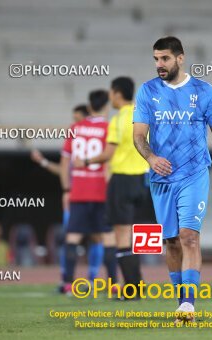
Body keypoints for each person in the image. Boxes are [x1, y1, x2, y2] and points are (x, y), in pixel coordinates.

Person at [132, 36, 212, 321]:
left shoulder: (204, 91)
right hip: (161, 179)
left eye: (165, 58)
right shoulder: (147, 91)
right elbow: (138, 135)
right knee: (171, 241)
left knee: (189, 237)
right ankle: (181, 300)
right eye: (156, 59)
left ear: (180, 58)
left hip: (194, 174)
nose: (159, 64)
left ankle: (189, 305)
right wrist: (151, 158)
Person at [73, 77, 154, 299]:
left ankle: (132, 290)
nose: (110, 96)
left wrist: (86, 161)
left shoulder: (118, 119)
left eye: (111, 92)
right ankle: (138, 284)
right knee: (141, 236)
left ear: (117, 93)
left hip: (123, 180)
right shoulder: (143, 113)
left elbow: (108, 154)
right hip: (145, 180)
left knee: (122, 235)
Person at [60, 90, 117, 294]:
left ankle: (67, 284)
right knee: (108, 238)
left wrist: (66, 188)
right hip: (102, 192)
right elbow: (110, 162)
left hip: (79, 192)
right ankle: (112, 285)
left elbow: (65, 162)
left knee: (73, 238)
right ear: (106, 106)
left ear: (89, 106)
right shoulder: (110, 129)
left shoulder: (74, 128)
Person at [29, 104, 89, 288]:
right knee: (70, 237)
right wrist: (44, 162)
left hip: (95, 195)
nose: (75, 122)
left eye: (78, 118)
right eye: (74, 119)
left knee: (99, 238)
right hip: (74, 197)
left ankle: (94, 277)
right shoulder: (75, 141)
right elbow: (64, 169)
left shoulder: (96, 139)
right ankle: (66, 279)